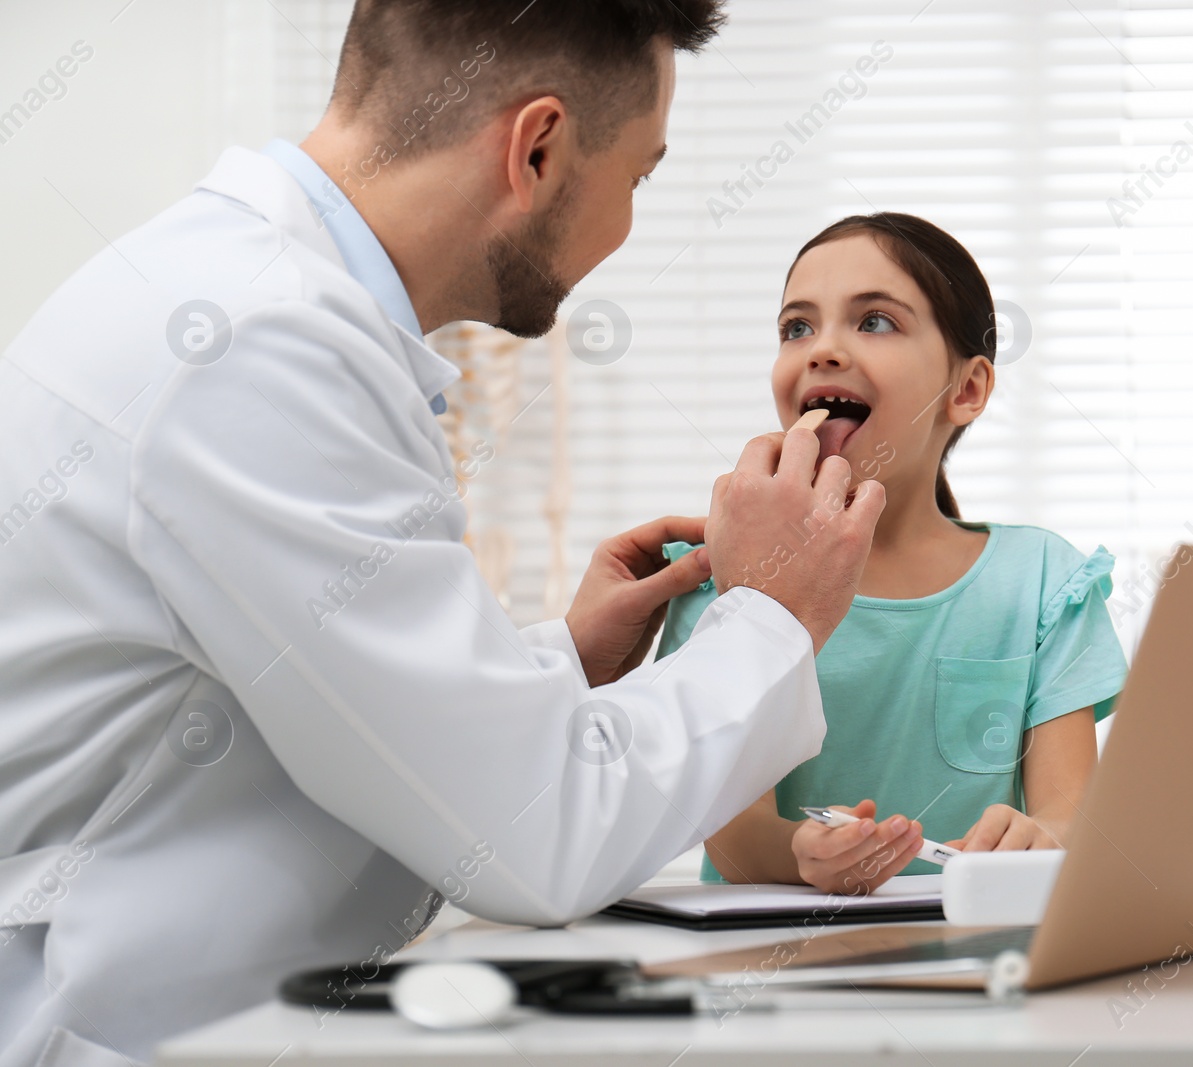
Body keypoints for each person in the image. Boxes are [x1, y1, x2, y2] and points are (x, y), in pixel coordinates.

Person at [0, 3, 886, 1064]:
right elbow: (531, 839)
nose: (630, 224)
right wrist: (771, 610)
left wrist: (559, 662)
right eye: (640, 177)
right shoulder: (254, 346)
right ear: (539, 147)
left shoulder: (238, 296)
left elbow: (317, 702)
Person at [656, 214, 1129, 893]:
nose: (822, 350)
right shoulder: (718, 574)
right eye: (797, 327)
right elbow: (731, 834)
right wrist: (799, 851)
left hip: (972, 962)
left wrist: (1043, 837)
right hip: (769, 971)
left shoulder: (1044, 583)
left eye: (874, 321)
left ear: (965, 390)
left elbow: (1069, 814)